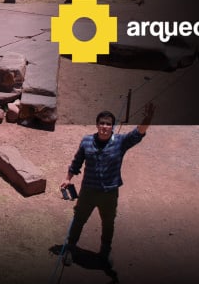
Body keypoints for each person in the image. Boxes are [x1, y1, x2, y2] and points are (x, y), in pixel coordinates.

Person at [60, 101, 156, 268]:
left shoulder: (120, 142)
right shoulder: (86, 141)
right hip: (88, 191)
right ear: (97, 125)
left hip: (109, 193)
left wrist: (147, 118)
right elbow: (77, 161)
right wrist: (68, 178)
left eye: (108, 124)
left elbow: (138, 133)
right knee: (79, 219)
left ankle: (105, 252)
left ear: (113, 126)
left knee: (108, 222)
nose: (105, 126)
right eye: (102, 123)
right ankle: (70, 247)